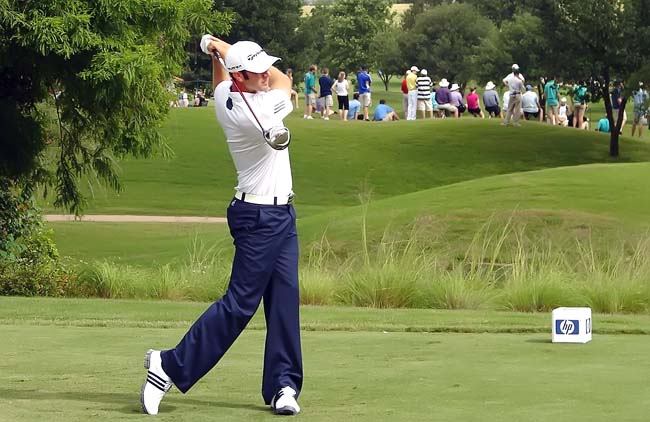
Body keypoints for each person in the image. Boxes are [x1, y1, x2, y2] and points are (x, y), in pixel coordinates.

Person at [140, 36, 303, 416]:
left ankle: (283, 384)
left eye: (265, 67)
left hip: (277, 214)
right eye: (257, 70)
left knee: (284, 299)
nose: (266, 74)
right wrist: (223, 47)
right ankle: (168, 364)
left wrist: (218, 52)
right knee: (240, 304)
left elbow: (219, 84)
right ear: (242, 77)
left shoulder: (226, 98)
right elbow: (286, 83)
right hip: (262, 218)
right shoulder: (261, 107)